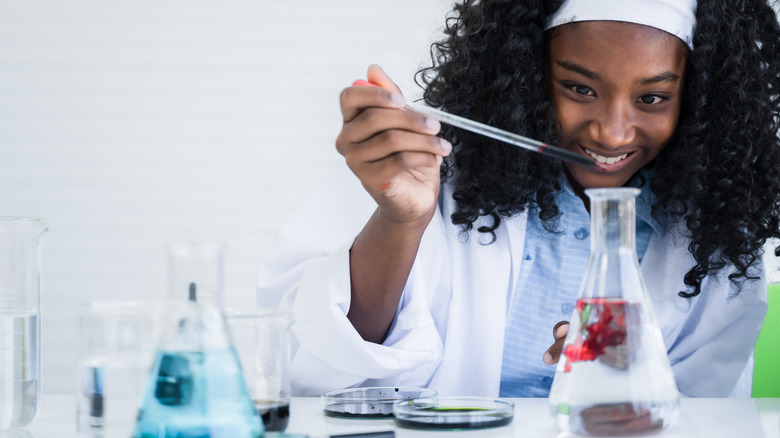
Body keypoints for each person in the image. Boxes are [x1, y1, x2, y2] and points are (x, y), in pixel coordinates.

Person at [258, 0, 780, 398]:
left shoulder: (716, 226)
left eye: (651, 98)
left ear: (698, 98)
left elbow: (708, 411)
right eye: (579, 89)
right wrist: (403, 219)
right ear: (528, 76)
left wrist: (624, 379)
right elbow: (316, 362)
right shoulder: (423, 165)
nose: (613, 134)